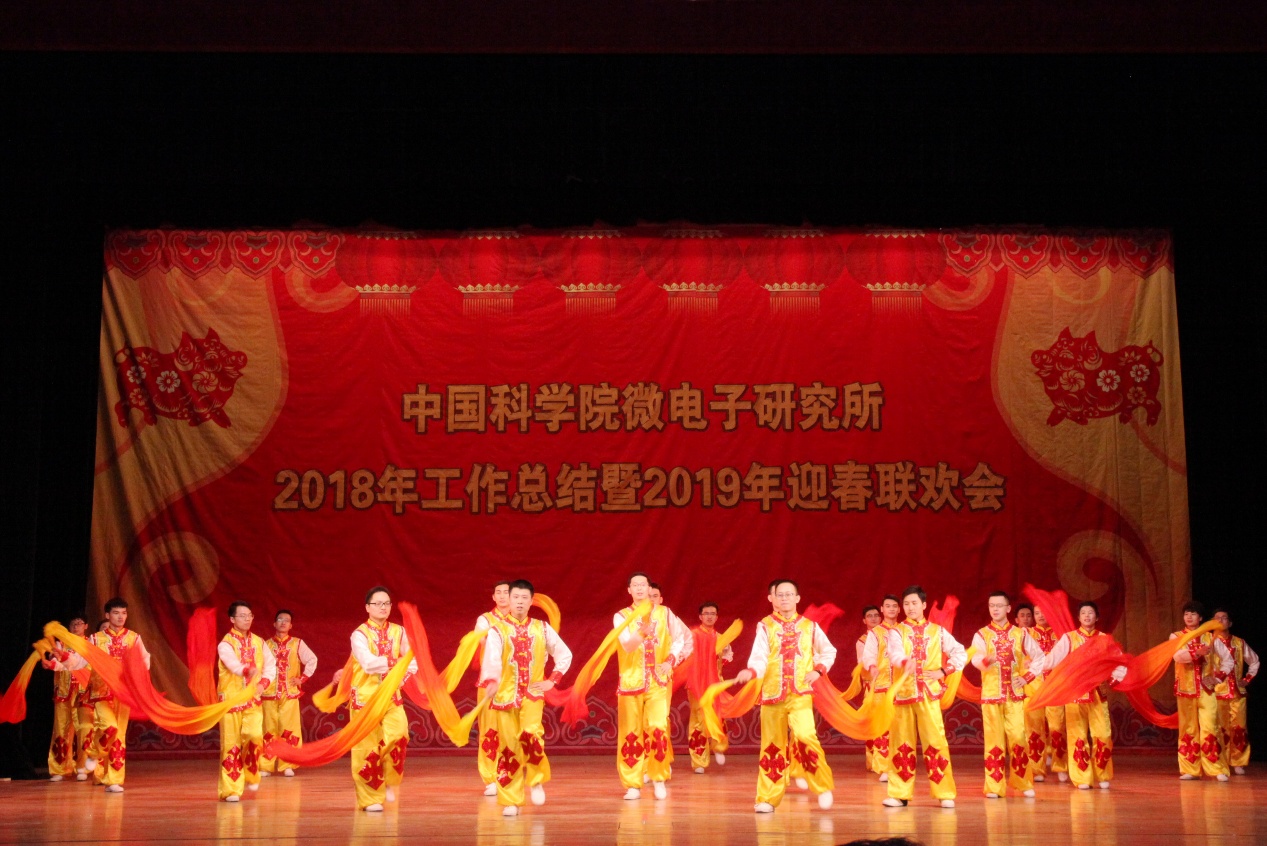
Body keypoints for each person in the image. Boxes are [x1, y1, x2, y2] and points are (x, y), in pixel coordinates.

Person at [734, 579, 836, 813]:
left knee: (805, 736)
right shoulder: (765, 626)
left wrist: (818, 670)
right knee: (772, 746)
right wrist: (752, 671)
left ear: (797, 598)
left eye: (789, 594)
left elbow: (829, 651)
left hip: (800, 693)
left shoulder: (809, 626)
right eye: (780, 595)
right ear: (772, 598)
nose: (785, 598)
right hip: (773, 693)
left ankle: (822, 786)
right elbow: (759, 656)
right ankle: (767, 798)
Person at [479, 579, 572, 817]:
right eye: (515, 597)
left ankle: (537, 779)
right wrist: (492, 681)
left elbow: (564, 654)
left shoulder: (542, 628)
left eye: (524, 598)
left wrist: (553, 680)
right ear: (508, 600)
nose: (519, 602)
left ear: (531, 602)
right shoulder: (497, 630)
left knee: (531, 735)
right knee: (508, 746)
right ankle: (511, 800)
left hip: (532, 694)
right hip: (505, 696)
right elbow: (491, 659)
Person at [868, 585, 966, 808]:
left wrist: (944, 670)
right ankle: (899, 794)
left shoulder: (937, 631)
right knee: (901, 744)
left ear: (923, 605)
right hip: (903, 694)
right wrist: (904, 661)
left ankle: (945, 793)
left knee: (936, 741)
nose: (910, 607)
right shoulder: (896, 632)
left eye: (914, 603)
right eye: (906, 604)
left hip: (929, 694)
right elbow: (894, 653)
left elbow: (959, 652)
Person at [58, 597, 151, 793]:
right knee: (109, 728)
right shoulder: (95, 639)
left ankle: (113, 780)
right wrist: (64, 658)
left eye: (123, 613)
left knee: (119, 735)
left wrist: (136, 673)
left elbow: (145, 661)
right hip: (100, 693)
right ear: (107, 615)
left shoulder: (134, 638)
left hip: (123, 694)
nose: (120, 617)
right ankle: (94, 753)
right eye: (116, 613)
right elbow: (79, 661)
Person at [614, 572, 689, 800]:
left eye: (643, 585)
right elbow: (626, 646)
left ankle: (658, 777)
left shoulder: (665, 613)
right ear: (629, 590)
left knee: (658, 727)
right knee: (630, 732)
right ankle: (632, 784)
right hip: (631, 682)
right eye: (634, 585)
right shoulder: (621, 616)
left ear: (649, 588)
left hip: (657, 681)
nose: (639, 588)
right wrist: (640, 634)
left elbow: (681, 638)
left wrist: (671, 660)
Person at [347, 586, 418, 812]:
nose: (383, 607)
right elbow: (369, 663)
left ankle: (388, 778)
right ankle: (370, 799)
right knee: (365, 748)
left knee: (399, 735)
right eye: (377, 603)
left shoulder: (399, 631)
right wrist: (396, 662)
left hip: (391, 696)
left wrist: (399, 678)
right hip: (365, 699)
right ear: (367, 607)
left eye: (386, 603)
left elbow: (412, 661)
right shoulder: (359, 635)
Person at [970, 592, 1045, 798]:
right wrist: (986, 661)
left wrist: (1027, 677)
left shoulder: (1021, 634)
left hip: (1015, 695)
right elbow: (975, 658)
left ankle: (1023, 781)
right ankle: (995, 786)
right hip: (991, 696)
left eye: (999, 605)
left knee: (1018, 737)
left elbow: (1039, 657)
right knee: (993, 740)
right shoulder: (982, 634)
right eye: (991, 605)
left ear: (1008, 608)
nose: (995, 609)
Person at [1045, 601, 1125, 790]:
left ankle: (1102, 774)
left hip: (1098, 693)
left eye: (1090, 613)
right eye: (1083, 613)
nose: (1087, 616)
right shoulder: (1069, 639)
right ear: (1079, 617)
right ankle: (1081, 777)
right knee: (1077, 735)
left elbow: (1119, 661)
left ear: (1097, 617)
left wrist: (1116, 679)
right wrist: (1033, 668)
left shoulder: (1105, 639)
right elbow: (1052, 660)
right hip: (1075, 693)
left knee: (1102, 734)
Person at [217, 601, 277, 802]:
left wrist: (263, 684)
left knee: (254, 736)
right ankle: (232, 790)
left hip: (252, 699)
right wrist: (245, 670)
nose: (247, 619)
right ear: (232, 619)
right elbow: (232, 664)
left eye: (249, 615)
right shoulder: (225, 644)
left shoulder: (259, 642)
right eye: (242, 616)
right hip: (231, 701)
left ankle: (251, 772)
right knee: (231, 744)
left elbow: (271, 666)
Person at [1170, 601, 1232, 781]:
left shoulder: (1211, 638)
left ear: (1201, 618)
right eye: (1186, 614)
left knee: (1210, 726)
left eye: (1193, 614)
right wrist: (1197, 652)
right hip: (1185, 688)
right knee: (1187, 728)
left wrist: (1217, 678)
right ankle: (1190, 769)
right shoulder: (1176, 636)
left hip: (1207, 689)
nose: (1189, 617)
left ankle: (1216, 768)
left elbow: (1228, 660)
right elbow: (1177, 656)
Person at [259, 609, 317, 778]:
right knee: (268, 728)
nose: (283, 622)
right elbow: (258, 665)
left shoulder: (297, 644)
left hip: (289, 693)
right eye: (280, 619)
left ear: (291, 625)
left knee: (289, 728)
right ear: (274, 623)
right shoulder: (265, 645)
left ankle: (288, 764)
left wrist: (302, 678)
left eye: (287, 620)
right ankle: (266, 765)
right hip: (269, 693)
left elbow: (312, 659)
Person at [475, 580, 512, 795]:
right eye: (499, 592)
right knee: (489, 730)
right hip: (490, 682)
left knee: (512, 730)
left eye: (506, 592)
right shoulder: (484, 620)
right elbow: (484, 642)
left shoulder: (522, 620)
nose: (503, 596)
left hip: (514, 683)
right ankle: (490, 777)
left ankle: (510, 773)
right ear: (493, 597)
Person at [1211, 608, 1258, 774]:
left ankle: (1238, 761)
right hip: (1217, 692)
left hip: (1237, 692)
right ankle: (1220, 761)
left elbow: (1254, 661)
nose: (1220, 620)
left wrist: (1247, 679)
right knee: (1219, 728)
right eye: (1217, 618)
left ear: (1230, 623)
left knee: (1239, 727)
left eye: (1224, 618)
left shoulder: (1239, 643)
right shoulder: (1208, 642)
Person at [687, 601, 732, 774]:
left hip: (715, 684)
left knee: (718, 716)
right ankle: (699, 760)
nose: (709, 616)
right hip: (697, 683)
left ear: (717, 617)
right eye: (706, 613)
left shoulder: (721, 638)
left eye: (713, 614)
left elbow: (725, 659)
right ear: (700, 616)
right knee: (698, 719)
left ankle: (718, 746)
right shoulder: (692, 635)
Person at [861, 596, 900, 782]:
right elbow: (868, 655)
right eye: (887, 606)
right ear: (882, 609)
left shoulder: (904, 630)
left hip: (901, 686)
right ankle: (884, 767)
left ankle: (900, 764)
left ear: (899, 609)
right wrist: (872, 666)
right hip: (881, 685)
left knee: (901, 727)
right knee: (883, 727)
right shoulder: (875, 633)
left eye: (894, 606)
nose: (891, 609)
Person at [46, 617, 88, 782]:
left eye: (79, 623)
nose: (76, 626)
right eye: (73, 624)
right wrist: (51, 664)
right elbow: (56, 662)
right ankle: (60, 768)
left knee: (83, 729)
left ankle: (82, 767)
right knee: (61, 729)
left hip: (83, 692)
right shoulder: (60, 644)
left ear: (86, 626)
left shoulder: (90, 643)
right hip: (63, 692)